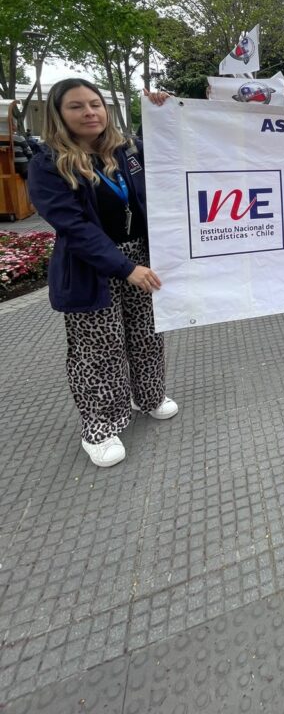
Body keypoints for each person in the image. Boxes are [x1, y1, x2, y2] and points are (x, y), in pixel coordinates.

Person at [28, 78, 177, 468]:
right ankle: (100, 426)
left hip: (141, 260)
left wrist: (161, 112)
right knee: (99, 349)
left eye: (95, 104)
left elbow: (172, 153)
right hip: (91, 266)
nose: (89, 112)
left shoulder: (127, 151)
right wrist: (124, 267)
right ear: (58, 114)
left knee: (147, 334)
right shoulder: (48, 163)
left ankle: (148, 396)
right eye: (76, 106)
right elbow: (74, 227)